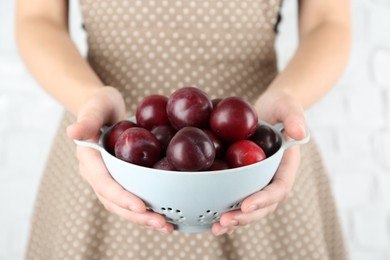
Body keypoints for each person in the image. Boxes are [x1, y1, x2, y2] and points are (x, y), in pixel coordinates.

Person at [16, 0, 351, 259]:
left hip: (255, 161)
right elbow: (38, 19)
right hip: (108, 153)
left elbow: (328, 22)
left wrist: (288, 98)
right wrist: (87, 99)